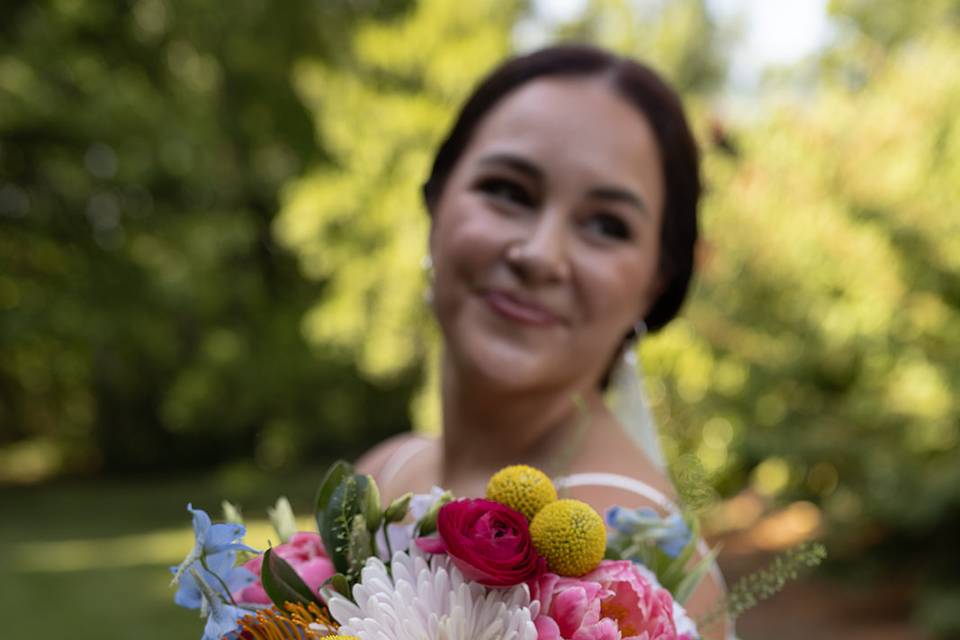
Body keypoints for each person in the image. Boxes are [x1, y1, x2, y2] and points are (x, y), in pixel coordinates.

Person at [358, 44, 730, 637]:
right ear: (436, 200)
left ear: (655, 285)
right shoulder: (381, 474)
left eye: (607, 225)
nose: (539, 255)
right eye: (509, 190)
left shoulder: (624, 567)